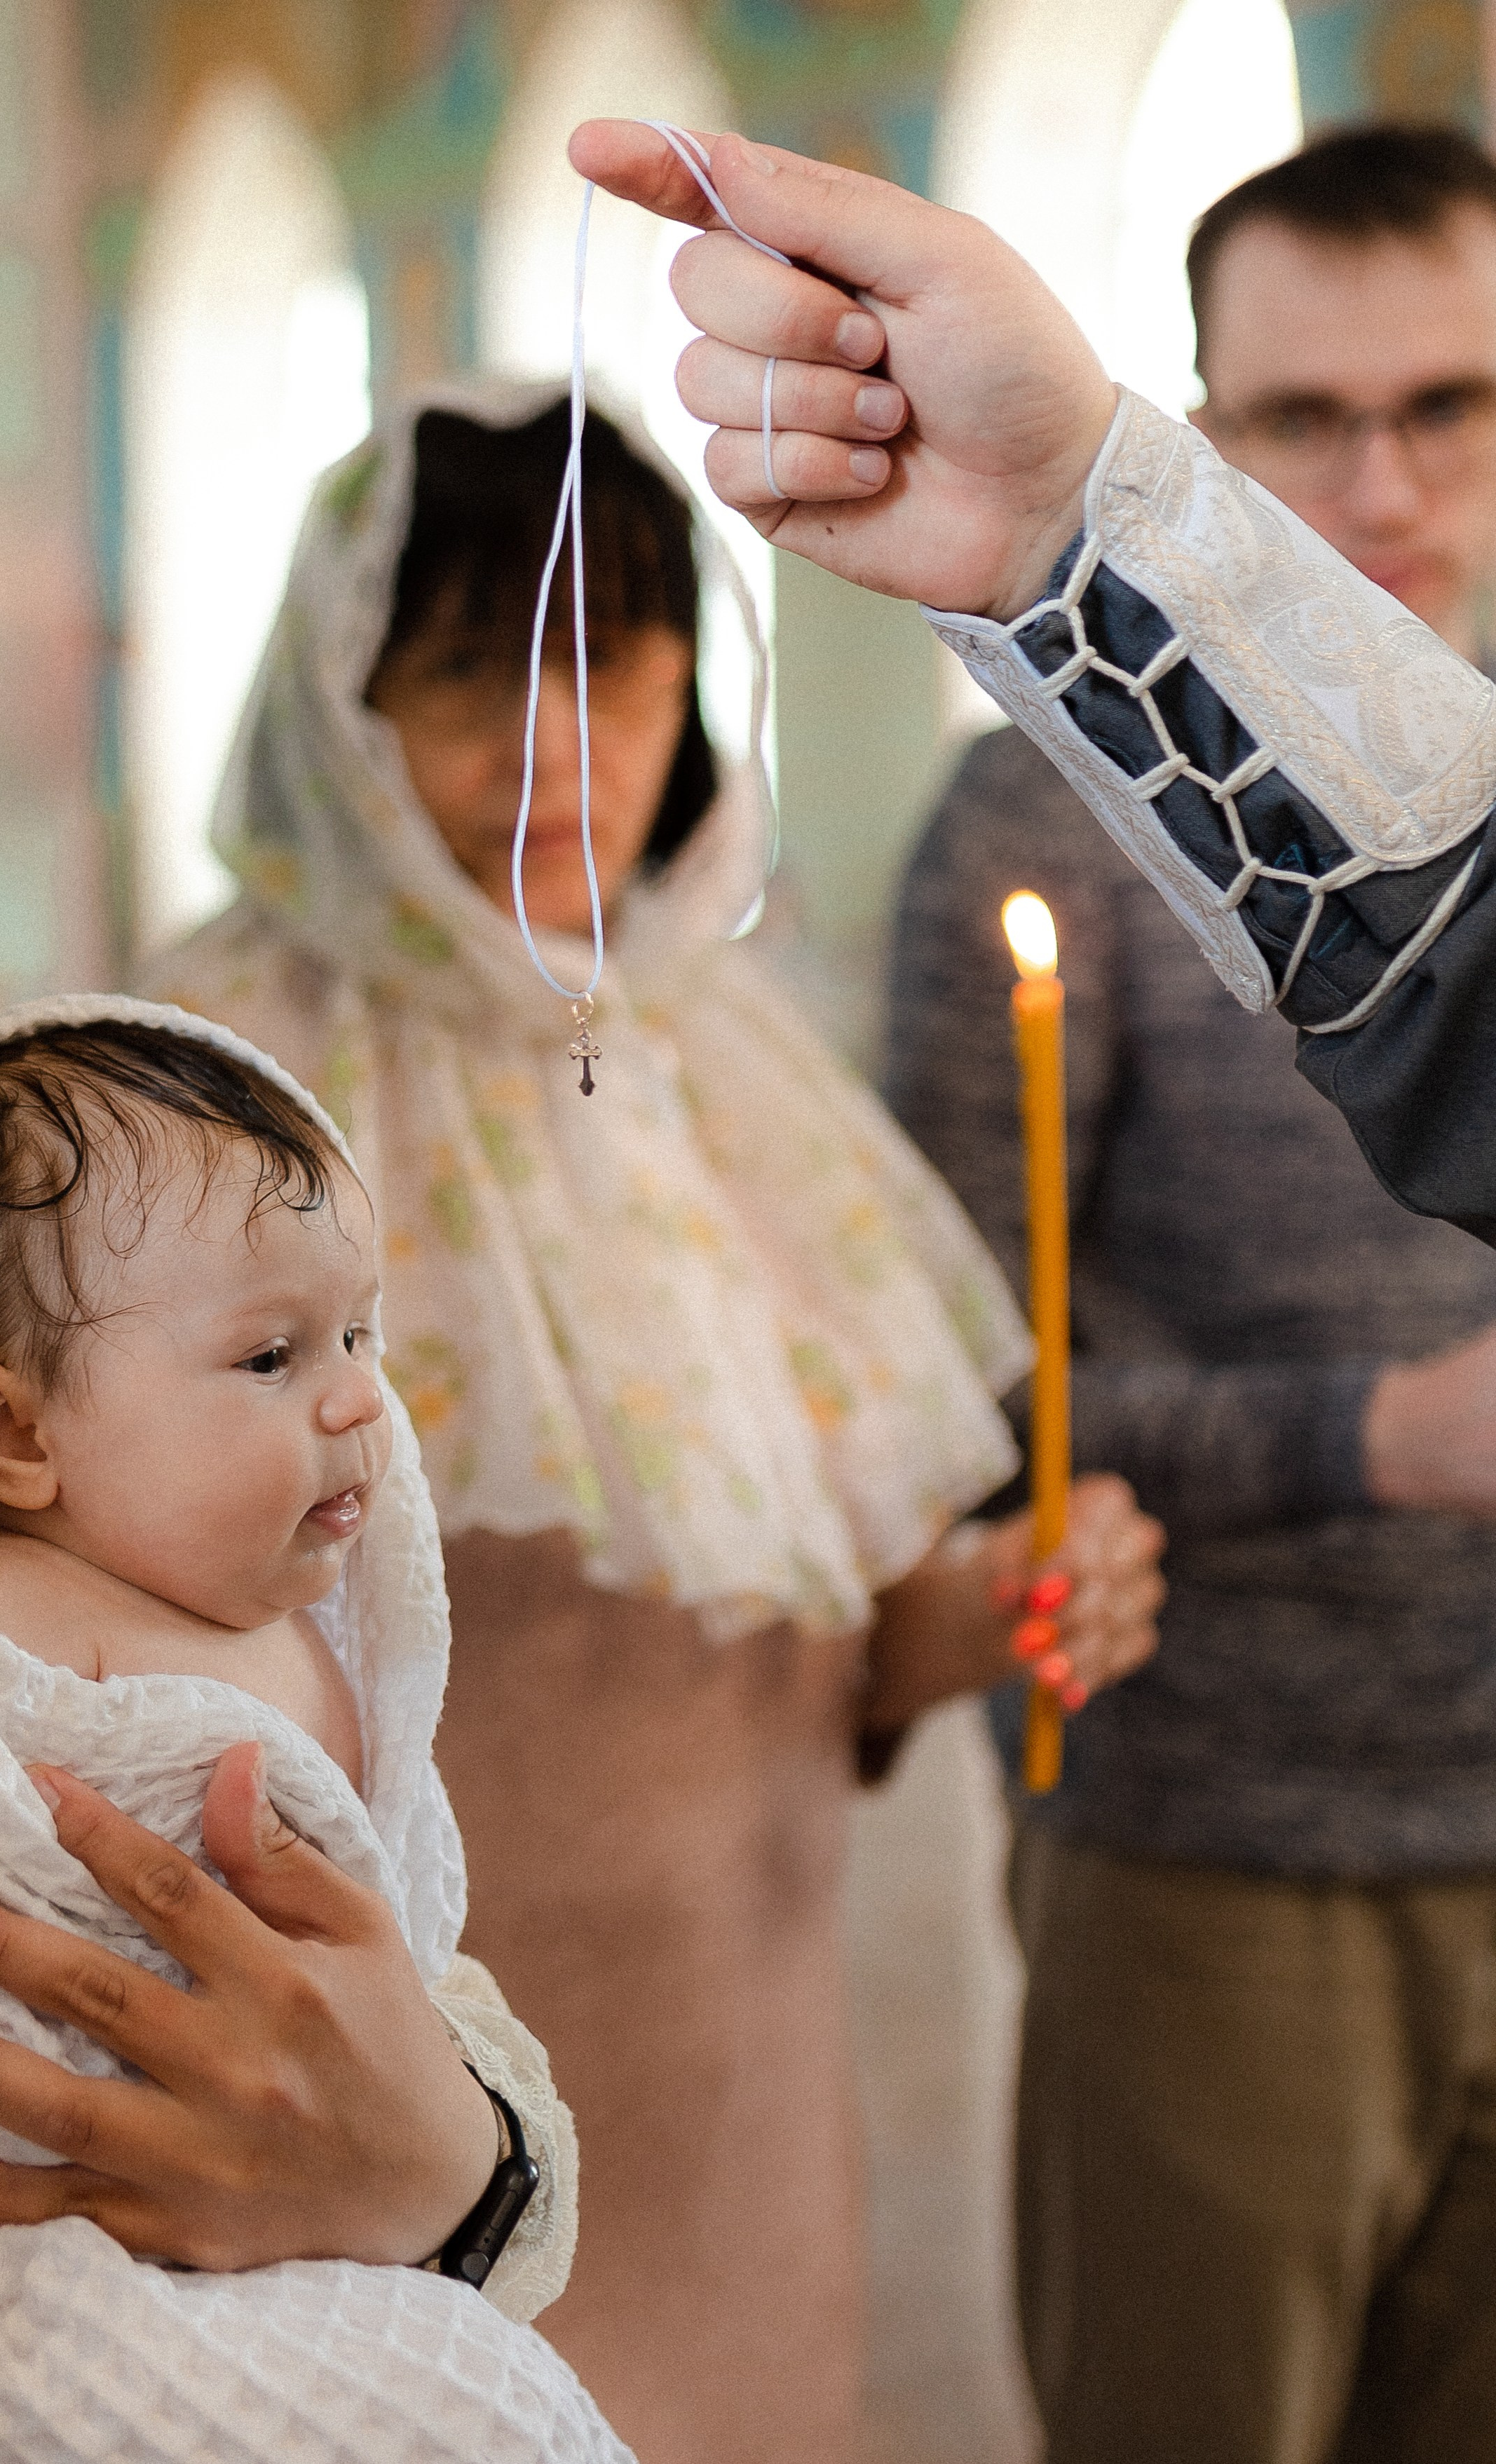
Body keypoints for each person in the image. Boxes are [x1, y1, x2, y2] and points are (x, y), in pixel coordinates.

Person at [118, 388, 1168, 2464]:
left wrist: (991, 1610)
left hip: (732, 2063)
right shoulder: (195, 1090)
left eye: (609, 661)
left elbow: (838, 1648)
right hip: (349, 2072)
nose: (550, 739)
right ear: (341, 695)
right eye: (466, 670)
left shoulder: (732, 1069)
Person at [886, 125, 1496, 2464]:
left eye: (1447, 404)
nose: (1382, 480)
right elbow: (952, 1389)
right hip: (1216, 1838)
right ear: (1204, 428)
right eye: (1304, 414)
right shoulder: (1044, 819)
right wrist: (1377, 1436)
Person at [0, 997, 625, 2463]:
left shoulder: (311, 1644)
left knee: (482, 2401)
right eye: (269, 1357)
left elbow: (409, 1968)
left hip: (316, 2212)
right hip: (39, 2231)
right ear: (14, 1433)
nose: (358, 1397)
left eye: (357, 1331)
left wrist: (451, 2153)